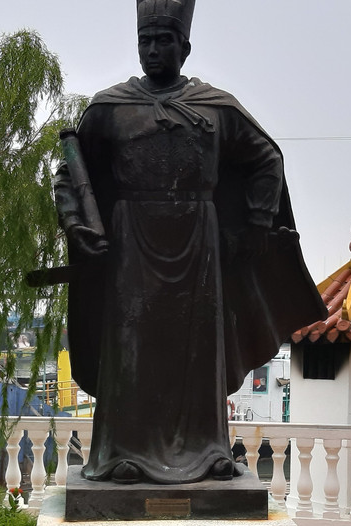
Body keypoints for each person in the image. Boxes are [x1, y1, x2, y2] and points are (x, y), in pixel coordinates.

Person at [55, 0, 326, 485]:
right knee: (131, 346)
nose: (153, 50)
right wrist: (77, 226)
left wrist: (257, 224)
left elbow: (268, 159)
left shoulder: (216, 108)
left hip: (198, 243)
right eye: (145, 41)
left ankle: (207, 452)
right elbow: (70, 177)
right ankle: (122, 456)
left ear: (185, 46)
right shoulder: (109, 108)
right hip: (130, 245)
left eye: (163, 40)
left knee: (197, 347)